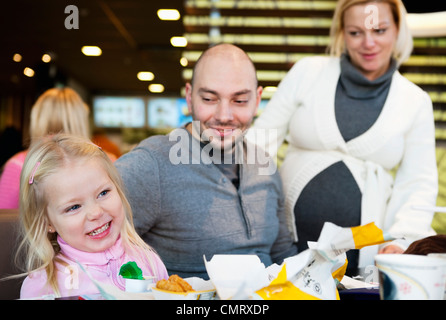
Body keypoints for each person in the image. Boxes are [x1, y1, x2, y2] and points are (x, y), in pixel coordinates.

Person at [248, 0, 438, 272]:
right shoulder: (307, 72)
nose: (368, 43)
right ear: (341, 33)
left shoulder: (415, 101)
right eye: (355, 32)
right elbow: (259, 144)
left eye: (380, 30)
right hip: (282, 248)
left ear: (398, 29)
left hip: (364, 260)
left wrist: (402, 238)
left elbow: (418, 184)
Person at [115, 43, 297, 279]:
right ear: (189, 97)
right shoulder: (151, 164)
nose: (224, 116)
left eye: (239, 100)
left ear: (257, 100)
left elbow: (283, 255)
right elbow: (86, 244)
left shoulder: (265, 165)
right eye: (210, 99)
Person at [17, 133, 167, 299]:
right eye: (74, 207)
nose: (96, 212)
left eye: (103, 193)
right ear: (47, 222)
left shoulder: (149, 262)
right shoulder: (43, 286)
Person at [0, 87, 116, 209]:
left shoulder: (19, 165)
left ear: (37, 119)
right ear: (81, 120)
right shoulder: (106, 160)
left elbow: (3, 218)